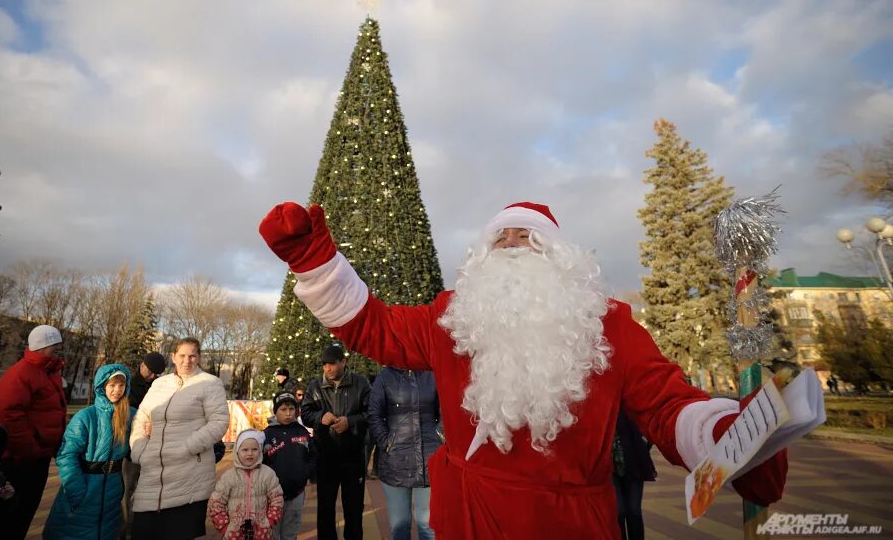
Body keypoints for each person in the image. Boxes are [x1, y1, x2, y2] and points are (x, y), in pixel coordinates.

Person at [259, 201, 799, 539]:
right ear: (482, 257)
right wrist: (316, 260)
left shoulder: (608, 325)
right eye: (502, 237)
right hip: (469, 519)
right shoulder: (452, 317)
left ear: (559, 256)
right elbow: (375, 328)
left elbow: (665, 402)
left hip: (569, 525)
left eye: (527, 236)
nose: (513, 245)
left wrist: (728, 435)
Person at [129, 337, 230, 540]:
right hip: (153, 473)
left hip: (189, 474)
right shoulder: (159, 384)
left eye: (192, 356)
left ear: (199, 358)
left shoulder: (210, 383)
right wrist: (139, 450)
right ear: (173, 357)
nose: (187, 360)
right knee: (144, 531)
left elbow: (219, 422)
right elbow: (142, 417)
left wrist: (189, 447)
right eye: (182, 355)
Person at [0, 324, 67, 540]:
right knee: (12, 517)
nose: (58, 350)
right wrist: (29, 450)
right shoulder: (22, 373)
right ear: (43, 346)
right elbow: (8, 415)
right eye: (55, 345)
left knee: (25, 514)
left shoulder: (48, 372)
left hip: (39, 456)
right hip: (22, 460)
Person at [44, 364, 134, 540]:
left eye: (121, 385)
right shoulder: (86, 416)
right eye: (112, 385)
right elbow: (66, 455)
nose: (117, 390)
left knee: (106, 531)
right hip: (84, 485)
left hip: (112, 488)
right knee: (76, 532)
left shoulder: (129, 416)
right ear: (102, 386)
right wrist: (76, 490)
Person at [300, 344, 370, 540]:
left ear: (343, 362)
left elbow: (372, 414)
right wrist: (320, 417)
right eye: (324, 365)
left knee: (354, 508)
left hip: (353, 456)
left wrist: (351, 422)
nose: (327, 368)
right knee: (325, 509)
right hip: (325, 456)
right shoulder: (315, 386)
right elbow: (305, 413)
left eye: (332, 364)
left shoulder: (361, 383)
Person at [367, 367, 440, 540]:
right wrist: (387, 442)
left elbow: (446, 410)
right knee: (400, 524)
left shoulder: (431, 374)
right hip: (395, 460)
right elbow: (374, 414)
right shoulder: (385, 376)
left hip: (429, 457)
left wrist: (440, 437)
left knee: (428, 524)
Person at [207, 428, 283, 540]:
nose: (250, 453)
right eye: (245, 450)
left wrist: (269, 521)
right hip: (234, 533)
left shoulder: (267, 474)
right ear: (237, 451)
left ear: (260, 451)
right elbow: (216, 503)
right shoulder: (229, 477)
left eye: (254, 449)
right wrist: (224, 527)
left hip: (262, 532)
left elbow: (277, 499)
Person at [124, 352, 166, 538]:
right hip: (131, 448)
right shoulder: (129, 386)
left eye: (155, 374)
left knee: (146, 493)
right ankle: (125, 531)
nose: (151, 376)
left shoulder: (158, 388)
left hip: (152, 448)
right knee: (126, 492)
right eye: (149, 371)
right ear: (142, 365)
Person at [263, 391, 315, 540]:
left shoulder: (302, 432)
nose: (288, 414)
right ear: (275, 411)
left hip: (296, 494)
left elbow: (313, 456)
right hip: (272, 495)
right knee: (272, 533)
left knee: (290, 533)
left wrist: (308, 475)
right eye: (283, 409)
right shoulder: (266, 435)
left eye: (291, 409)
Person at [611, 410, 656, 540]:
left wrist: (642, 445)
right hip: (610, 470)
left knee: (633, 511)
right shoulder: (601, 410)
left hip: (634, 466)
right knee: (619, 512)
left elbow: (649, 426)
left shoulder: (631, 406)